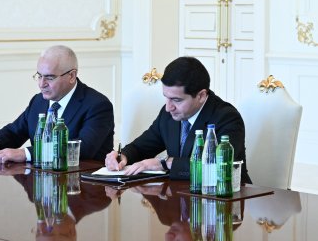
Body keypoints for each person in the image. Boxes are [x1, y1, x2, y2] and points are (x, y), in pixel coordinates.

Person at [106, 56, 250, 184]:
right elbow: (142, 147)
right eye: (166, 97)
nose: (168, 107)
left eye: (176, 100)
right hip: (179, 197)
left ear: (201, 96)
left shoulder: (227, 118)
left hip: (223, 199)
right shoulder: (169, 114)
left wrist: (165, 163)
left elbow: (219, 168)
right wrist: (122, 156)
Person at [0, 45, 115, 163]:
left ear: (71, 76)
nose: (41, 84)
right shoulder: (39, 101)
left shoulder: (97, 105)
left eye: (49, 77)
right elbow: (15, 131)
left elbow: (82, 149)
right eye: (39, 76)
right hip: (43, 181)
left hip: (83, 182)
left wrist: (26, 154)